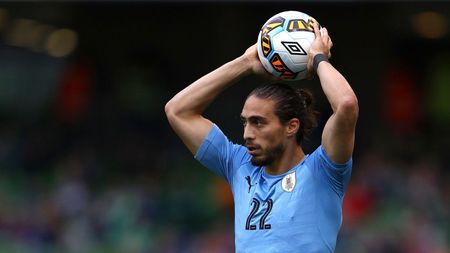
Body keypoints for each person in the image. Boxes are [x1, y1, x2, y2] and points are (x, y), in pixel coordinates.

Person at [165, 21, 358, 253]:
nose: (247, 134)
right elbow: (177, 110)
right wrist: (245, 63)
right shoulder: (238, 165)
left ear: (291, 126)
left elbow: (346, 105)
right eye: (245, 122)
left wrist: (318, 59)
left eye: (258, 122)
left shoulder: (323, 171)